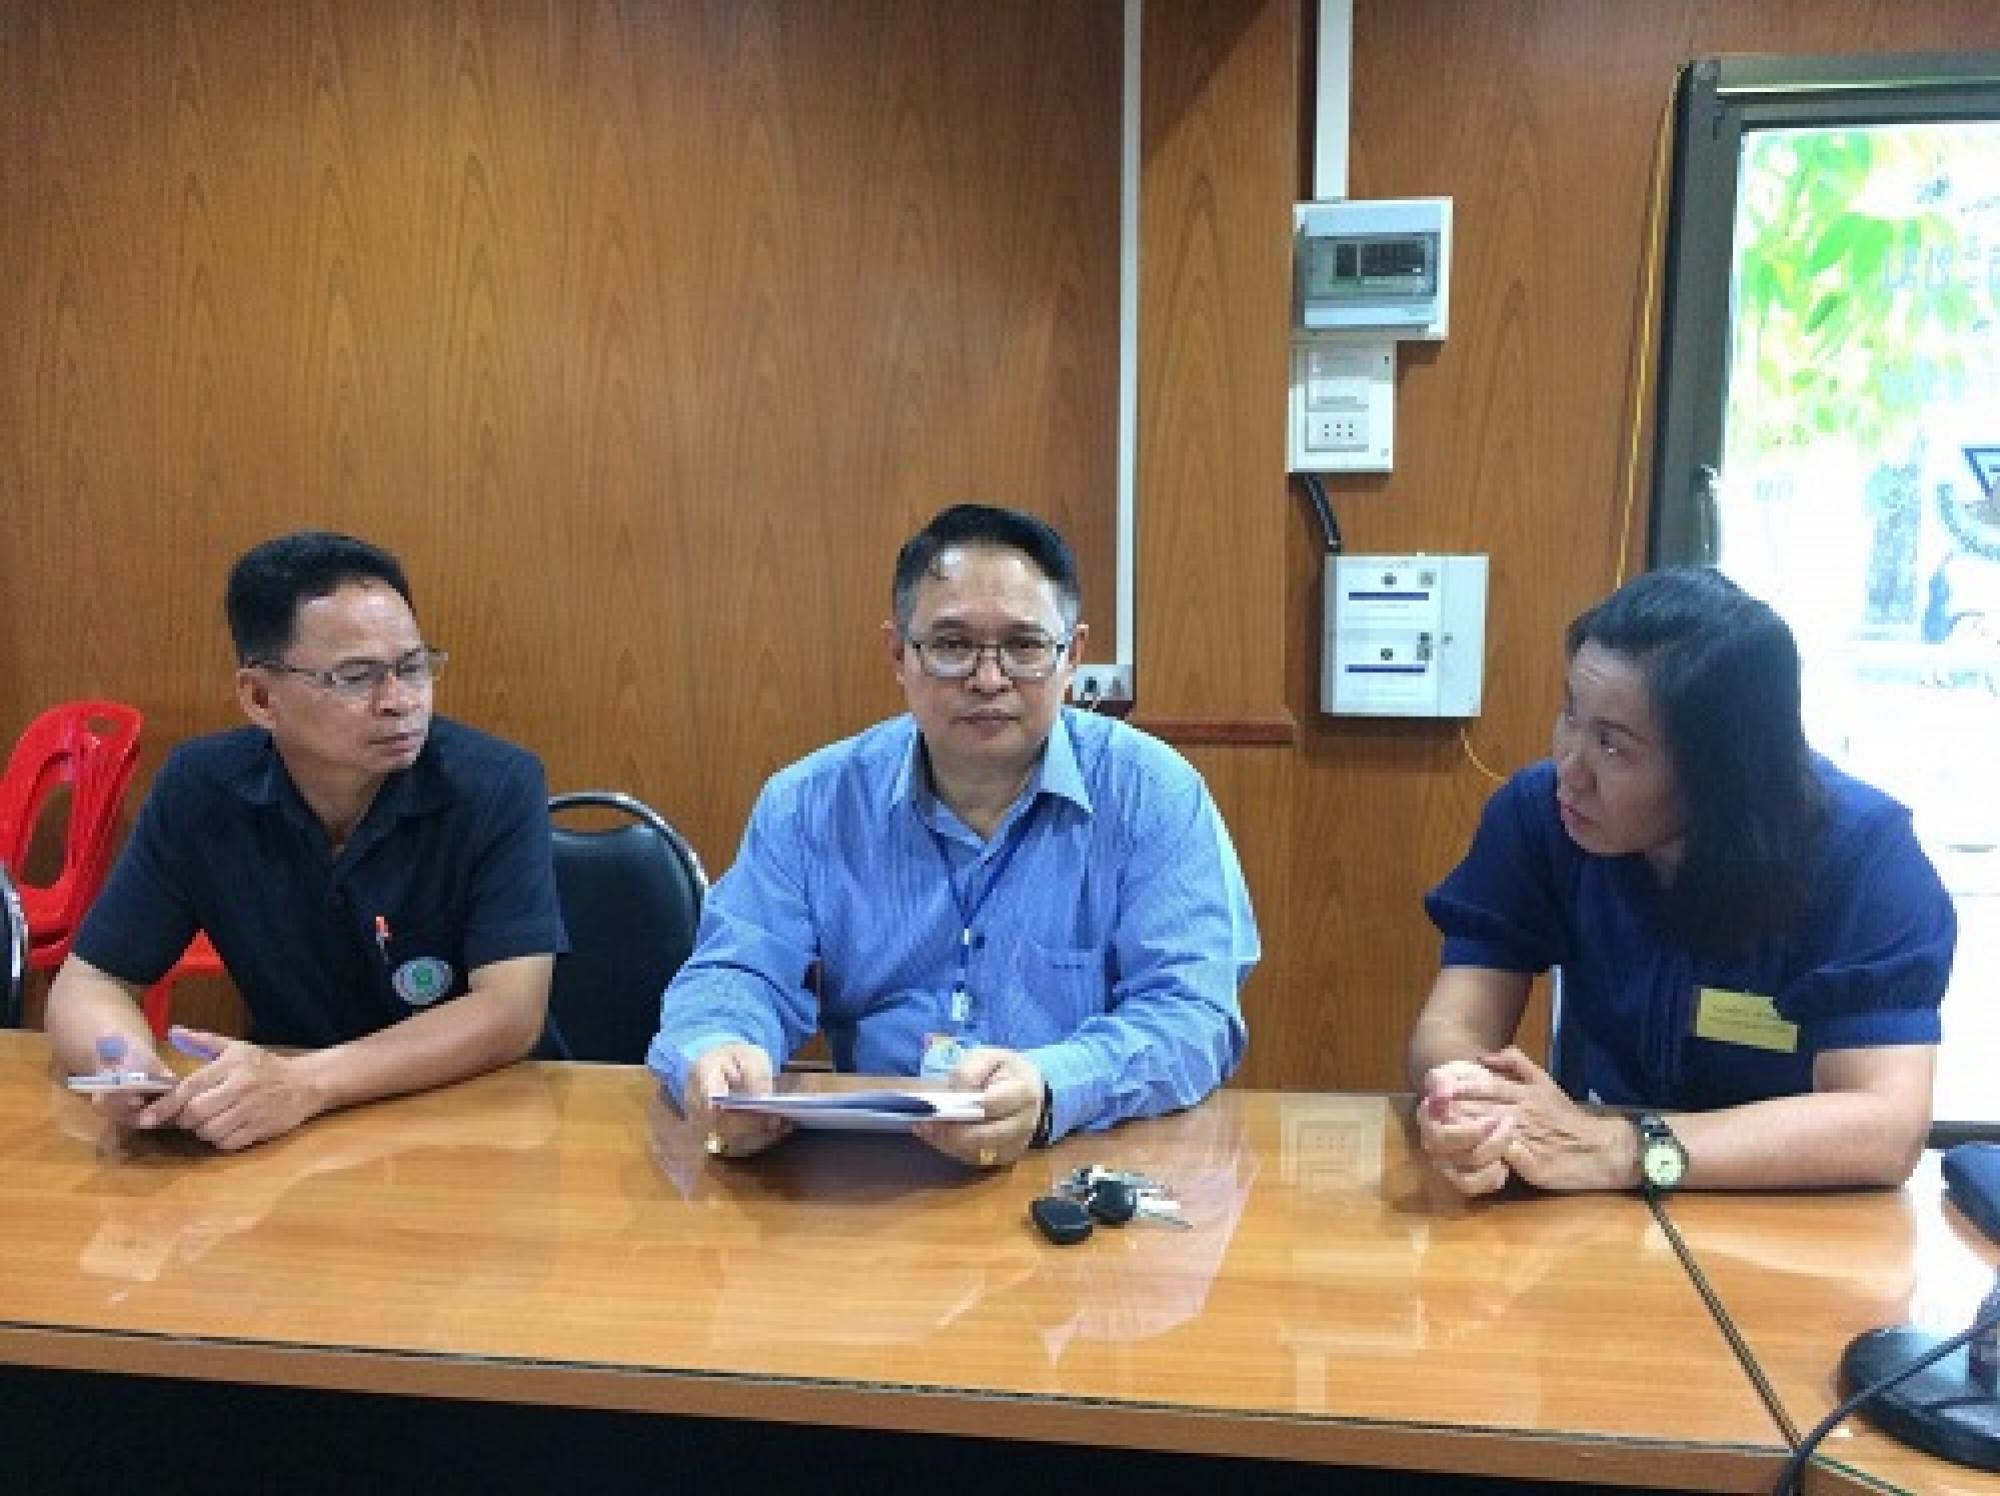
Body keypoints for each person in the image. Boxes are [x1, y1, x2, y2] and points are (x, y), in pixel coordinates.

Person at [648, 503, 1258, 1168]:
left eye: (1025, 646)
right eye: (951, 645)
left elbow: (1193, 1015)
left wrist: (1053, 1086)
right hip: (878, 1174)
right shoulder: (810, 805)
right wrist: (720, 1051)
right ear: (898, 655)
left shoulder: (1154, 795)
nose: (989, 680)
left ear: (1072, 657)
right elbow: (736, 972)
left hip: (1076, 1161)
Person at [1408, 567, 1955, 1196]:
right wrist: (1467, 1105)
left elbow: (1886, 1126)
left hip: (1794, 1205)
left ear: (1718, 770)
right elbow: (1455, 1025)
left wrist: (1626, 1149)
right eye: (1570, 715)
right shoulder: (1539, 814)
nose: (1570, 769)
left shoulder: (1864, 856)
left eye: (1612, 746)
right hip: (1594, 1196)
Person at [47, 531, 568, 1150]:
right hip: (289, 1132)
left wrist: (309, 1083)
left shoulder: (495, 783)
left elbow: (509, 1012)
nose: (400, 701)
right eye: (357, 677)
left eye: (412, 667)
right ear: (261, 698)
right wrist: (124, 1065)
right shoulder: (202, 789)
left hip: (471, 1120)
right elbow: (92, 982)